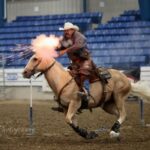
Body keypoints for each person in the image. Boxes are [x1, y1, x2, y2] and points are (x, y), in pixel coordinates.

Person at [52, 22, 97, 112]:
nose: (66, 32)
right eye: (65, 31)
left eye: (68, 30)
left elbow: (78, 46)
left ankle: (86, 93)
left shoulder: (80, 37)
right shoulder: (66, 38)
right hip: (75, 62)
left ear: (73, 30)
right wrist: (53, 47)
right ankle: (65, 100)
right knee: (68, 77)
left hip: (84, 60)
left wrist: (65, 50)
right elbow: (60, 46)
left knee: (84, 72)